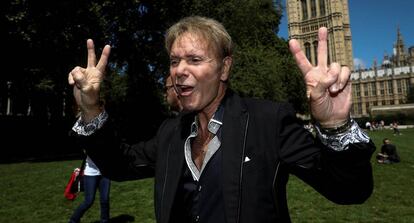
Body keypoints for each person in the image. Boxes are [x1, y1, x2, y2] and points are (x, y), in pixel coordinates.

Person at [68, 16, 375, 223]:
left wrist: (336, 127)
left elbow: (349, 191)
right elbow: (119, 165)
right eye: (174, 61)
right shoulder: (170, 132)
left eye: (195, 59)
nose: (179, 70)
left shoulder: (269, 121)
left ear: (225, 68)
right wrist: (91, 109)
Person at [69, 154, 111, 223]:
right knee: (88, 201)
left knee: (105, 200)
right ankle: (73, 220)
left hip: (105, 173)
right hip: (91, 174)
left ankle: (105, 221)